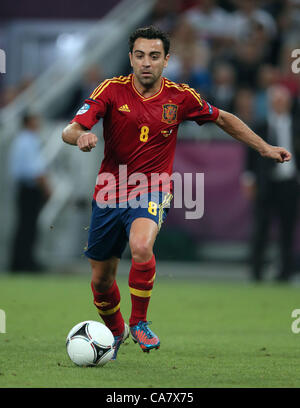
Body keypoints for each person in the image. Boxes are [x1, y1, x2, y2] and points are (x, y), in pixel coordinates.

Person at [62, 26, 291, 360]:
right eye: (139, 55)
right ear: (130, 58)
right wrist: (80, 137)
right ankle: (115, 332)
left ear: (166, 60)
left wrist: (264, 147)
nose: (146, 63)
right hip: (109, 191)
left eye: (154, 56)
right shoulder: (111, 90)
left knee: (141, 246)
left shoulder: (181, 97)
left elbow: (223, 119)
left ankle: (138, 321)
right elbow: (72, 128)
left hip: (153, 187)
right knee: (100, 281)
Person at [242, 85, 300, 282]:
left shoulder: (296, 125)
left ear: (289, 103)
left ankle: (285, 272)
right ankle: (256, 271)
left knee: (287, 229)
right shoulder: (260, 126)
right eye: (275, 100)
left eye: (282, 100)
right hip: (266, 184)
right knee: (261, 228)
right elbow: (250, 155)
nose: (279, 104)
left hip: (289, 183)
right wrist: (249, 179)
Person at [9, 113, 51, 272]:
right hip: (30, 188)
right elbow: (36, 169)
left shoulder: (20, 140)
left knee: (23, 225)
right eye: (35, 119)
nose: (38, 122)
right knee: (29, 226)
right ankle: (26, 262)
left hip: (23, 187)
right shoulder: (29, 141)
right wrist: (47, 187)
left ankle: (19, 261)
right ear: (28, 122)